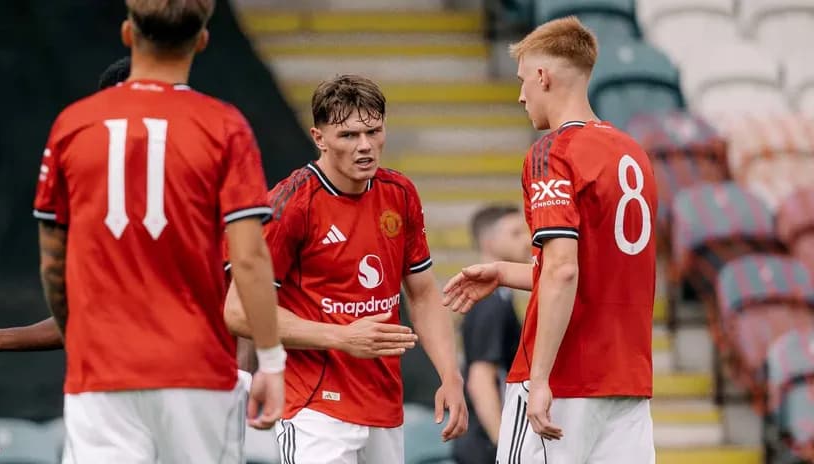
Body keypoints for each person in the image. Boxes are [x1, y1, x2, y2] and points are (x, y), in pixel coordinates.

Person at [32, 1, 286, 462]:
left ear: (128, 33)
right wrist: (271, 360)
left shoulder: (72, 125)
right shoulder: (225, 126)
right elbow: (249, 259)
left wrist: (83, 338)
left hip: (103, 371)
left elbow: (53, 261)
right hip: (197, 371)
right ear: (202, 41)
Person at [442, 16, 658, 464]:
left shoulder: (552, 153)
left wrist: (539, 379)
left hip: (566, 379)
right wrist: (504, 272)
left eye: (523, 81)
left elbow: (564, 268)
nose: (521, 95)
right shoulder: (632, 153)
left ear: (543, 76)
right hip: (627, 382)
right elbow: (596, 270)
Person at [223, 74, 469, 464]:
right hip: (313, 406)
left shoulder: (400, 193)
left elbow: (422, 294)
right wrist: (341, 337)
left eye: (374, 131)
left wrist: (451, 376)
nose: (366, 146)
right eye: (349, 135)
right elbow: (238, 311)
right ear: (319, 137)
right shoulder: (290, 204)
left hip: (384, 405)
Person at [452, 205, 526, 464]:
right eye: (516, 233)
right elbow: (480, 379)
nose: (528, 241)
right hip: (484, 446)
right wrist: (503, 447)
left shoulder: (500, 298)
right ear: (490, 242)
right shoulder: (490, 303)